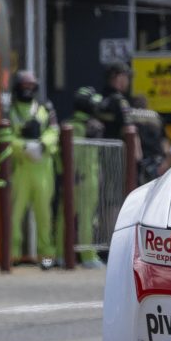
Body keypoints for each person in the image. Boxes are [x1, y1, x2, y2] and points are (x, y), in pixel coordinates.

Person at [0, 70, 58, 266]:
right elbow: (5, 138)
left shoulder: (45, 109)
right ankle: (12, 256)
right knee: (14, 216)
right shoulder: (10, 111)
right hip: (20, 168)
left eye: (31, 86)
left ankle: (46, 257)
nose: (28, 90)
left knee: (44, 216)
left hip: (43, 169)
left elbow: (55, 132)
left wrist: (42, 144)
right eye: (24, 86)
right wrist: (23, 147)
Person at [67, 87, 105, 269]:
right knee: (87, 218)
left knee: (65, 217)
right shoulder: (84, 127)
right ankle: (87, 256)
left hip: (73, 177)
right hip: (84, 177)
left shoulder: (70, 124)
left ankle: (62, 254)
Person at [128, 95, 168, 183]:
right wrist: (165, 159)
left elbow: (134, 137)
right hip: (157, 158)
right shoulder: (156, 116)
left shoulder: (130, 116)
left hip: (141, 159)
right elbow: (164, 140)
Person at [95, 64, 133, 141]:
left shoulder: (98, 99)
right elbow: (128, 129)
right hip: (116, 150)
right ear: (118, 78)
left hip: (98, 149)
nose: (128, 82)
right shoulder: (120, 101)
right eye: (126, 77)